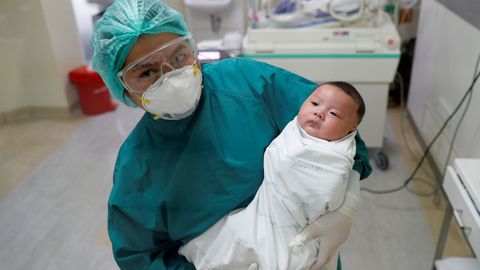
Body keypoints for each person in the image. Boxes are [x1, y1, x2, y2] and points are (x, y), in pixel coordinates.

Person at [91, 1, 372, 269]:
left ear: (193, 47)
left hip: (304, 251)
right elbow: (140, 257)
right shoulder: (137, 166)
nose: (171, 76)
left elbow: (342, 124)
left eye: (179, 56)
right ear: (123, 89)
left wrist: (347, 205)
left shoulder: (248, 82)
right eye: (147, 72)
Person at [178, 82, 365, 270]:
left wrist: (346, 207)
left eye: (334, 114)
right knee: (227, 241)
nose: (319, 113)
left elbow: (328, 189)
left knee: (287, 258)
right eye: (315, 104)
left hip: (299, 230)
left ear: (351, 131)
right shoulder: (293, 127)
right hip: (264, 210)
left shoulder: (337, 157)